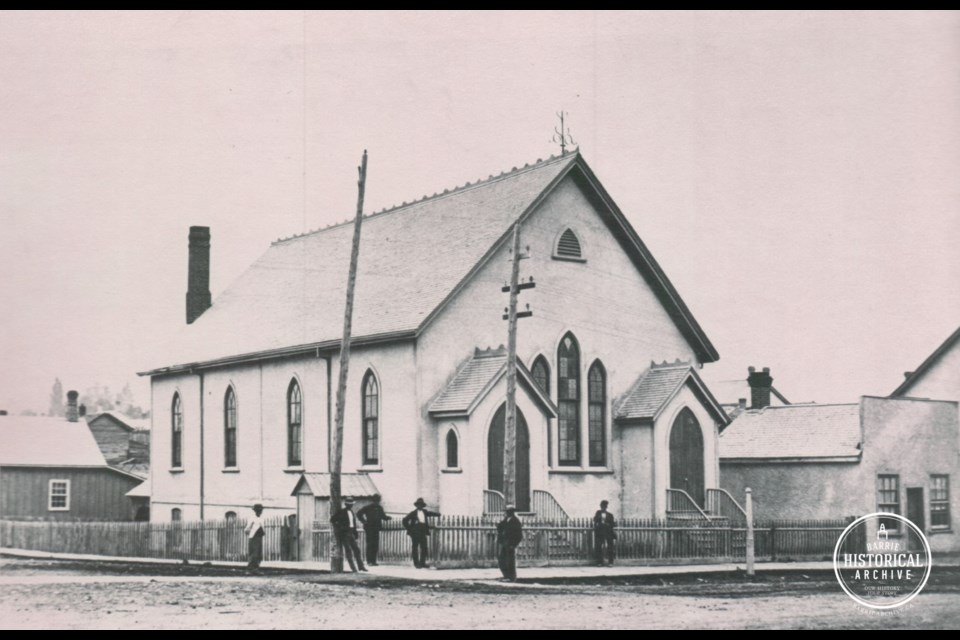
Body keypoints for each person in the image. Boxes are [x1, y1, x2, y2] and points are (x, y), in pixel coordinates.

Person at [331, 496, 367, 573]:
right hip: (345, 534)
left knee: (357, 550)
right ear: (346, 504)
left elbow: (353, 524)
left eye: (351, 504)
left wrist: (355, 532)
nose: (351, 505)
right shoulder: (341, 512)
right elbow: (333, 520)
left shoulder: (351, 512)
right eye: (349, 504)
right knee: (348, 551)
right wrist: (340, 527)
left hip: (351, 533)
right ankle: (353, 568)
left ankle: (361, 566)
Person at [402, 497, 440, 568]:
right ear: (416, 506)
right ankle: (416, 564)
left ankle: (422, 563)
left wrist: (438, 514)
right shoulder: (413, 513)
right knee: (415, 548)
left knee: (424, 547)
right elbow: (404, 520)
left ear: (423, 506)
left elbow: (430, 513)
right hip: (415, 532)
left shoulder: (425, 512)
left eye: (421, 505)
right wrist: (410, 529)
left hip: (423, 531)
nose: (420, 506)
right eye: (418, 505)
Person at [357, 493, 392, 566]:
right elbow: (359, 513)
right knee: (370, 544)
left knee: (375, 544)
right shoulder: (368, 507)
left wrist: (388, 518)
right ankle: (369, 561)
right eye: (375, 500)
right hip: (369, 528)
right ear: (373, 500)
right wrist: (364, 521)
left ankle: (373, 561)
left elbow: (383, 516)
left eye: (378, 500)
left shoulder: (379, 508)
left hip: (376, 528)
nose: (376, 502)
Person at [496, 504, 523, 582]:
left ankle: (511, 577)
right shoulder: (506, 520)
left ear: (512, 512)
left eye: (508, 512)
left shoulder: (515, 521)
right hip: (505, 543)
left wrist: (513, 545)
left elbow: (519, 535)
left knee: (510, 561)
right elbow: (499, 527)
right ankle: (506, 576)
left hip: (510, 543)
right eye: (506, 512)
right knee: (502, 560)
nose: (506, 513)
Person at [593, 499, 617, 566]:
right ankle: (600, 562)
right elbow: (594, 520)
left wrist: (608, 524)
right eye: (602, 506)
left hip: (608, 532)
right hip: (600, 532)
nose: (604, 507)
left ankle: (610, 562)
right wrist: (599, 518)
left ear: (606, 507)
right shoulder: (598, 513)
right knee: (599, 547)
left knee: (610, 547)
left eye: (605, 506)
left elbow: (613, 524)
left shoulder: (610, 515)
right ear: (601, 506)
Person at [245, 503, 266, 570]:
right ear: (255, 511)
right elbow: (247, 529)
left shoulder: (261, 519)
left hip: (259, 538)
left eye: (261, 510)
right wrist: (251, 535)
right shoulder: (252, 518)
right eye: (258, 510)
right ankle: (250, 569)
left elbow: (262, 528)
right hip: (253, 538)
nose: (260, 511)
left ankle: (256, 568)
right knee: (253, 553)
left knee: (258, 554)